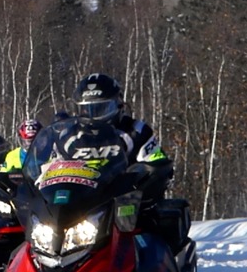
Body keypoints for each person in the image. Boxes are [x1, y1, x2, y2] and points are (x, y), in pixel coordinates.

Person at [72, 72, 172, 204]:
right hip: (79, 202)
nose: (93, 116)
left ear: (118, 104)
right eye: (86, 109)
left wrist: (142, 174)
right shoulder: (69, 135)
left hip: (124, 201)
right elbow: (51, 165)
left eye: (101, 109)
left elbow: (157, 161)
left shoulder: (136, 132)